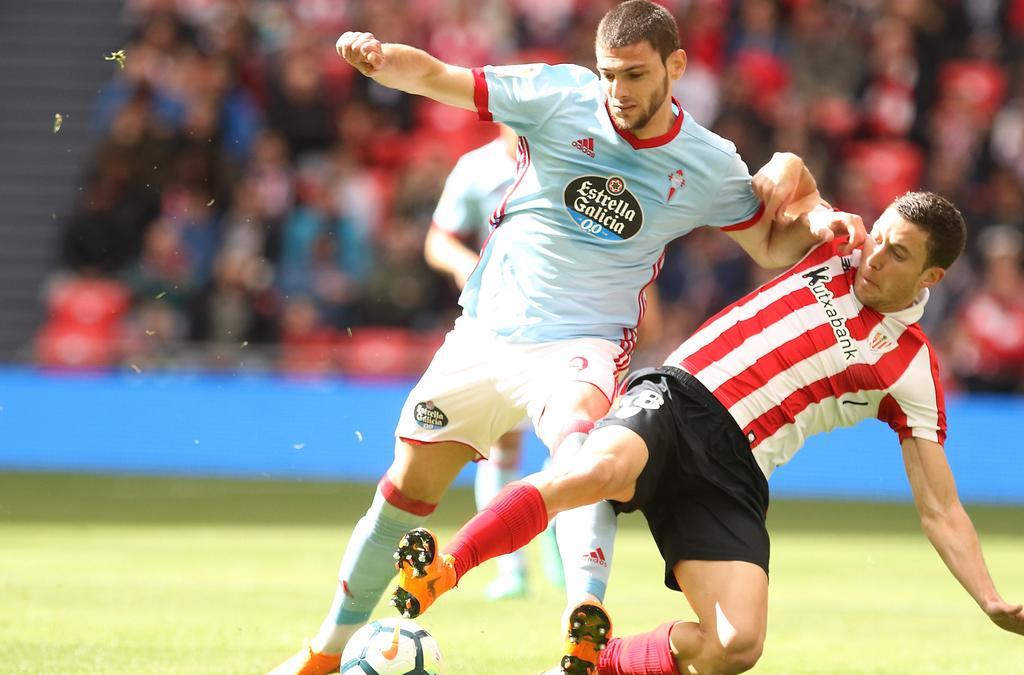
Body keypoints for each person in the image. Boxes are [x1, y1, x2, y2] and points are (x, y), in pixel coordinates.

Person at [271, 2, 861, 673]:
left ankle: (585, 619)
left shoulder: (705, 161)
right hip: (486, 331)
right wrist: (380, 60)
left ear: (676, 67)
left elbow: (766, 242)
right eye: (609, 73)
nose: (618, 91)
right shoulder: (558, 96)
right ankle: (322, 653)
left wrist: (818, 220)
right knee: (404, 492)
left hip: (583, 342)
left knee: (582, 440)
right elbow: (438, 76)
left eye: (635, 75)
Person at [389, 192, 1024, 675]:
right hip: (681, 396)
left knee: (735, 645)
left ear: (932, 276)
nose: (875, 259)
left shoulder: (913, 368)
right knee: (597, 469)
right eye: (881, 237)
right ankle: (441, 569)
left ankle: (595, 661)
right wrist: (814, 207)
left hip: (737, 470)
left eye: (898, 255)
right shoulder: (837, 246)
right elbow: (782, 173)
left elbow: (940, 505)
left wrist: (989, 596)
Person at [423, 123, 563, 599]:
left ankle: (563, 557)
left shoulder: (567, 157)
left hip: (566, 319)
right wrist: (465, 265)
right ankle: (513, 569)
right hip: (501, 320)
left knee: (571, 442)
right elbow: (436, 241)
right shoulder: (475, 169)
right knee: (501, 444)